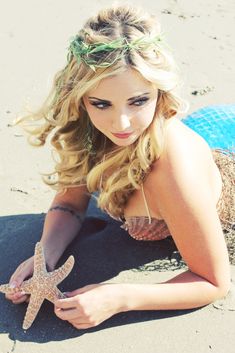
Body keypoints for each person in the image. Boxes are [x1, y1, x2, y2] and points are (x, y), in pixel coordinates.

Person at [5, 4, 234, 330]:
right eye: (101, 103)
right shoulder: (88, 131)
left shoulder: (174, 170)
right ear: (81, 98)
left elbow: (214, 282)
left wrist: (118, 298)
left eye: (139, 100)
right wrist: (45, 257)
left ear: (159, 92)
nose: (121, 123)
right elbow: (70, 204)